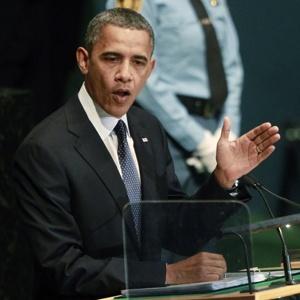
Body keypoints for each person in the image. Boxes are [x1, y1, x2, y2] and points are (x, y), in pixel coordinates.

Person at [13, 8, 280, 299]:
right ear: (84, 60)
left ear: (151, 70)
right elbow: (62, 267)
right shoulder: (45, 150)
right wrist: (169, 274)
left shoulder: (148, 128)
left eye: (138, 62)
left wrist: (223, 179)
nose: (125, 75)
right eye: (112, 58)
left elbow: (178, 231)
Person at [106, 0, 244, 194]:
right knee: (165, 218)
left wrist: (228, 135)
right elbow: (139, 74)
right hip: (162, 130)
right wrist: (198, 142)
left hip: (215, 128)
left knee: (216, 220)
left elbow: (232, 66)